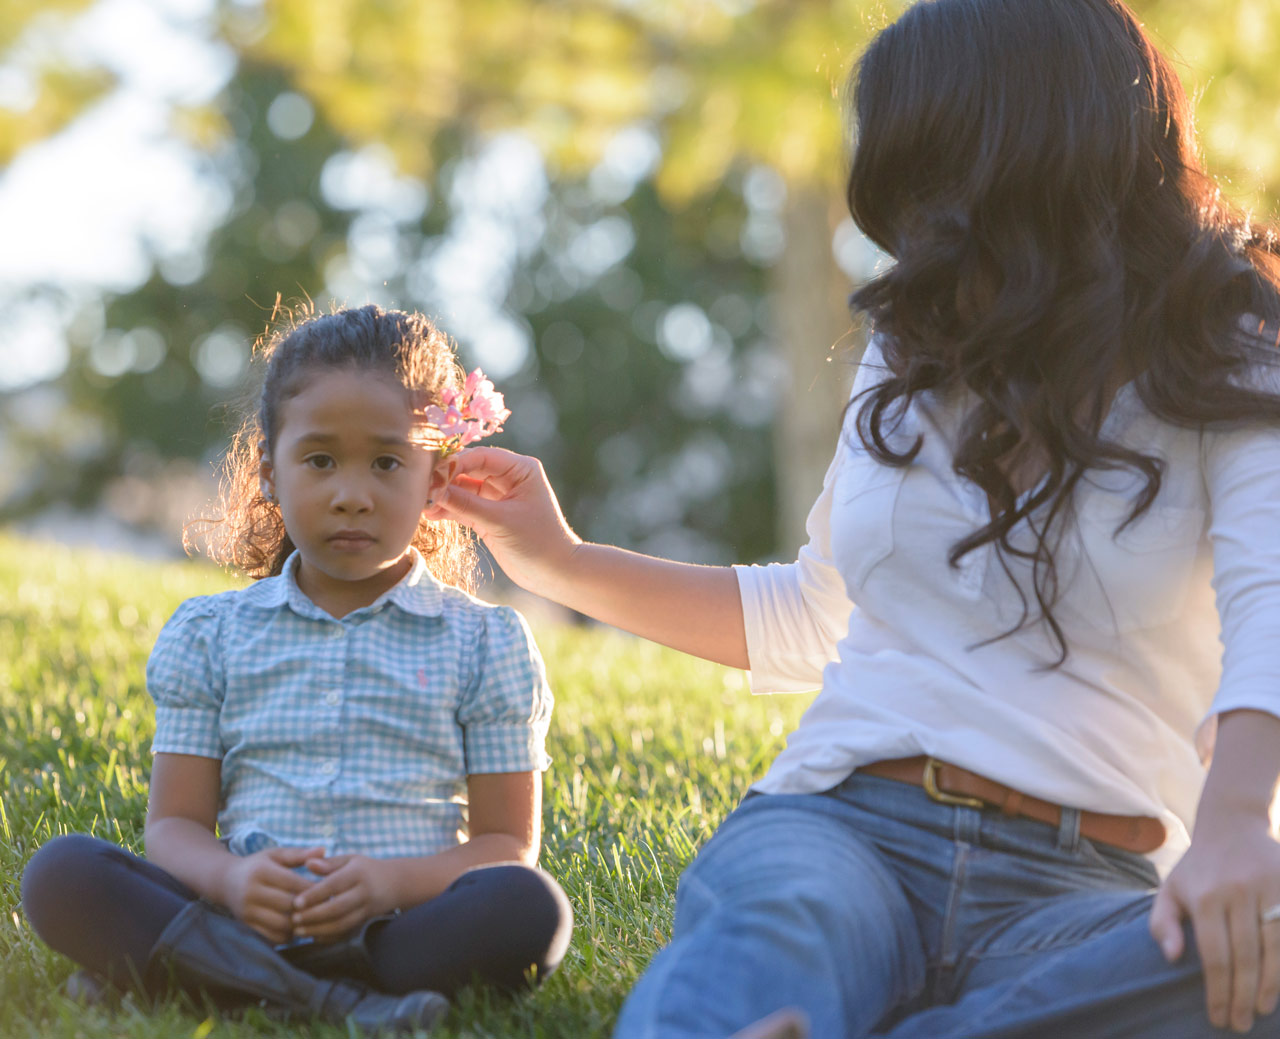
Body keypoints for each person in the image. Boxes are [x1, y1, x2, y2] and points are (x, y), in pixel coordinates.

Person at [422, 1, 1280, 1036]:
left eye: (927, 184)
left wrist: (1235, 818)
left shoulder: (1229, 338)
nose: (910, 233)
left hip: (1087, 889)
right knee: (779, 928)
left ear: (1020, 156)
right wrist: (553, 560)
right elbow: (808, 616)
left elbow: (1268, 596)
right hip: (843, 834)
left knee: (1249, 963)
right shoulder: (916, 339)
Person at [20, 305, 572, 1035]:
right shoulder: (212, 634)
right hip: (246, 917)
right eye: (319, 460)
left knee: (531, 907)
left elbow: (508, 847)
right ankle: (336, 1002)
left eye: (386, 461)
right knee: (62, 873)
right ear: (269, 472)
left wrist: (388, 884)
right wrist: (232, 879)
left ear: (436, 478)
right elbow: (176, 826)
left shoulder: (485, 642)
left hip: (400, 932)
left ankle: (202, 977)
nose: (351, 492)